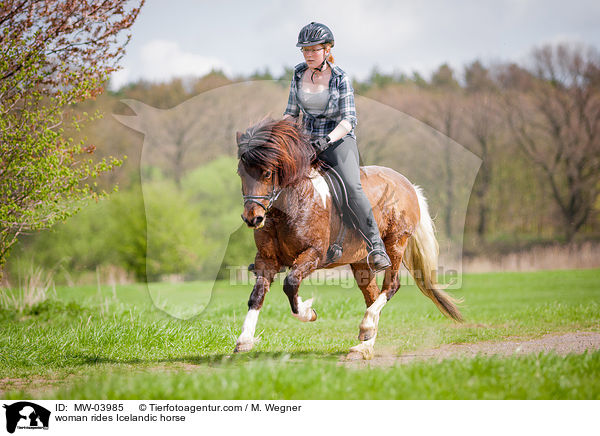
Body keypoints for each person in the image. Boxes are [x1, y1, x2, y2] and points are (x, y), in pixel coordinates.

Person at [283, 22, 391, 273]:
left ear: (327, 49)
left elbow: (349, 120)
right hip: (307, 142)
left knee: (352, 188)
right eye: (305, 50)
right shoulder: (298, 74)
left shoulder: (341, 78)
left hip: (338, 141)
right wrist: (285, 137)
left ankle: (375, 245)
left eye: (314, 49)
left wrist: (328, 140)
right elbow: (291, 114)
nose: (309, 54)